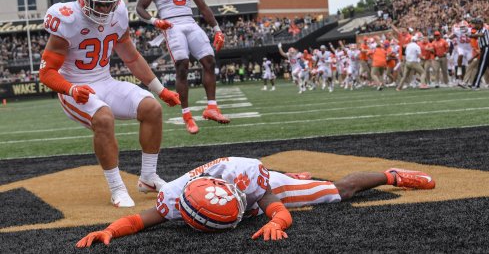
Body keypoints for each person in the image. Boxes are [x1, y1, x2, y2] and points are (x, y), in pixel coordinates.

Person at [76, 156, 435, 247]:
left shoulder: (245, 176)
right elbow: (139, 220)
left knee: (336, 192)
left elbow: (274, 206)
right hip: (239, 190)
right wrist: (109, 230)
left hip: (257, 185)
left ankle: (391, 175)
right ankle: (293, 175)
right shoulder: (173, 196)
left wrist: (276, 221)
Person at [39, 0, 181, 208]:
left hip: (104, 80)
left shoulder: (119, 12)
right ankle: (117, 188)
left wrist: (160, 89)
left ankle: (148, 177)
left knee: (151, 107)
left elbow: (131, 57)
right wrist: (71, 89)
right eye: (98, 4)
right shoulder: (67, 18)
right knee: (103, 117)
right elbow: (46, 73)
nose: (105, 10)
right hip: (73, 87)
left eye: (109, 4)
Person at [136, 0, 229, 135]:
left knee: (210, 61)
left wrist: (217, 29)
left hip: (190, 22)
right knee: (182, 66)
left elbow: (203, 6)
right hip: (171, 24)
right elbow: (140, 7)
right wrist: (155, 21)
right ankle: (187, 115)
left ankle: (212, 108)